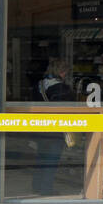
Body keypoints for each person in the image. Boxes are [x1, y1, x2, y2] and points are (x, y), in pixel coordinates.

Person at [33, 57, 76, 195]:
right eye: (65, 72)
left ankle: (37, 185)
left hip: (40, 127)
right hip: (55, 128)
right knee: (51, 160)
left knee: (40, 158)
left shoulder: (39, 85)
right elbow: (67, 109)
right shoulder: (61, 88)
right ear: (61, 72)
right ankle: (46, 188)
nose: (65, 75)